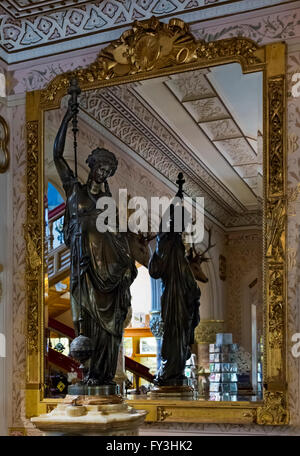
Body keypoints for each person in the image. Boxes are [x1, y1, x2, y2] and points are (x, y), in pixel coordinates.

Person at [53, 100, 137, 386]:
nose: (102, 173)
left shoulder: (108, 203)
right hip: (83, 266)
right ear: (91, 166)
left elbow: (117, 239)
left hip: (107, 274)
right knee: (85, 323)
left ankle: (101, 375)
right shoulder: (74, 190)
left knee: (108, 331)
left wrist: (126, 267)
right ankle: (91, 372)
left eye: (107, 171)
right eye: (100, 167)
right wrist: (67, 117)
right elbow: (57, 156)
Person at [148, 205, 200, 386]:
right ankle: (170, 371)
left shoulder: (176, 242)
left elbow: (185, 270)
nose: (184, 226)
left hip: (183, 297)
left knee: (182, 335)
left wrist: (193, 289)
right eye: (182, 222)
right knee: (174, 333)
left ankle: (175, 371)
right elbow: (156, 270)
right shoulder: (167, 241)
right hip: (172, 297)